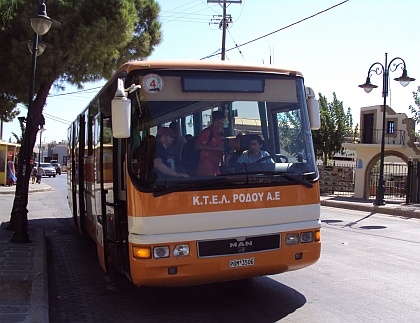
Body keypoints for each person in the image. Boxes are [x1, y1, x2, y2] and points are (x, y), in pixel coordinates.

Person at [195, 110, 225, 176]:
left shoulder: (218, 134)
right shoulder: (207, 132)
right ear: (213, 121)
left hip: (214, 165)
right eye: (218, 122)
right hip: (205, 166)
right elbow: (197, 146)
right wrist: (215, 148)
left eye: (221, 123)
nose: (219, 125)